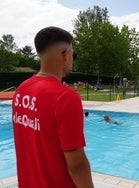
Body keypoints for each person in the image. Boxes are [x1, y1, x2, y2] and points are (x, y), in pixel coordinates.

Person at [12, 26, 94, 188]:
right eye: (73, 54)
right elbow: (76, 164)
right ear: (65, 54)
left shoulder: (21, 90)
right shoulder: (66, 98)